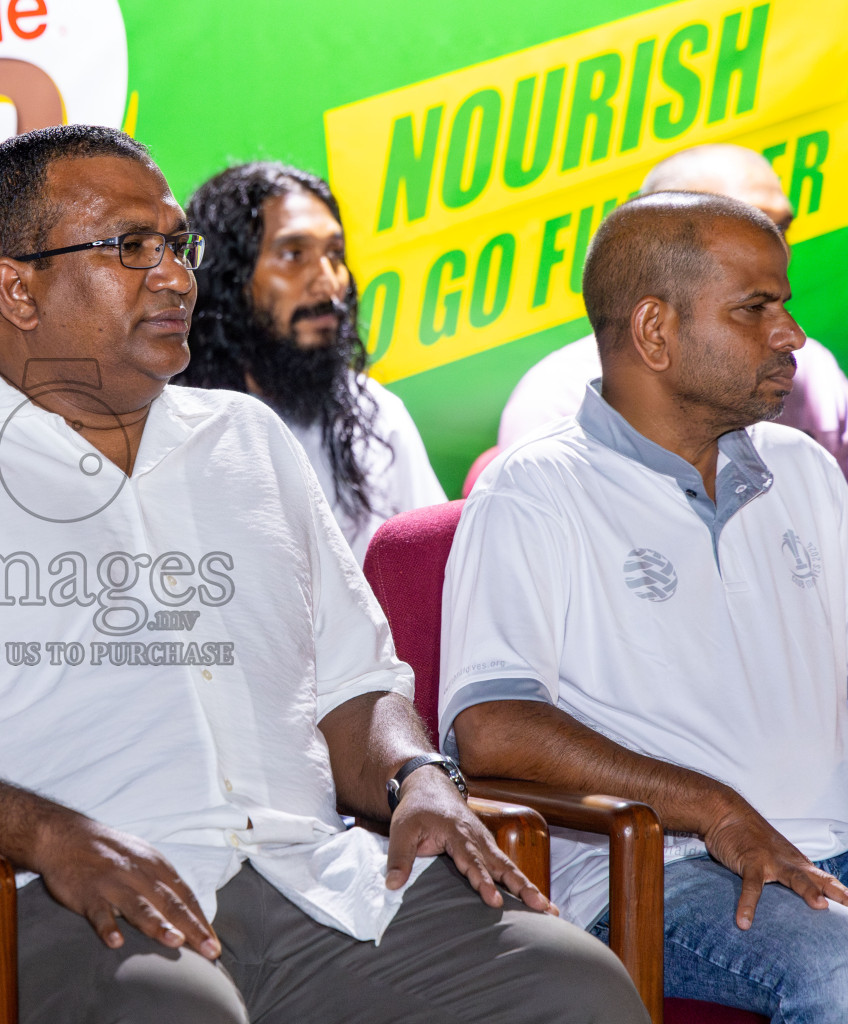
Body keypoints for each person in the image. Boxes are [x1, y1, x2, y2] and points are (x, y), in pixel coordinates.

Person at [0, 123, 647, 1023]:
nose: (177, 275)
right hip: (48, 899)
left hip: (309, 876)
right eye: (132, 248)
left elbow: (357, 686)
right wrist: (49, 833)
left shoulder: (248, 440)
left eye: (176, 243)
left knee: (575, 985)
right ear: (17, 289)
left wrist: (415, 776)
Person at [442, 191, 848, 1021]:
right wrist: (712, 808)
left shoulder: (802, 467)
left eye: (786, 305)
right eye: (755, 309)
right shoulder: (535, 492)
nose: (792, 335)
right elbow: (494, 727)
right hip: (663, 873)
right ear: (655, 331)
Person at [498, 143, 848, 476]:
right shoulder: (560, 399)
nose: (775, 250)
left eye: (780, 228)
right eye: (740, 229)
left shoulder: (807, 372)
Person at [180, 162, 444, 560]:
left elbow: (432, 567)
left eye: (335, 254)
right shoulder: (168, 428)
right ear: (230, 277)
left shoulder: (373, 415)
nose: (327, 279)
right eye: (293, 254)